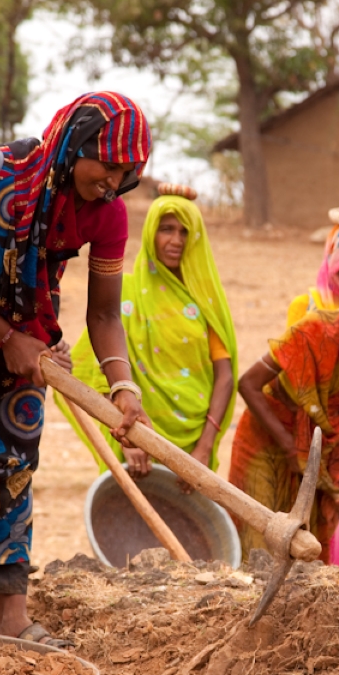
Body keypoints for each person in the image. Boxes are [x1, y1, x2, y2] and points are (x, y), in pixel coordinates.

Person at [0, 92, 152, 648]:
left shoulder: (109, 213)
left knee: (15, 459)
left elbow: (102, 314)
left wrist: (123, 386)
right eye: (108, 165)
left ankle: (13, 616)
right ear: (75, 147)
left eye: (129, 172)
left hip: (29, 340)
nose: (114, 181)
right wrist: (2, 337)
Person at [232, 271, 339, 561]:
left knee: (308, 546)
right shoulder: (313, 332)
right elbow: (248, 384)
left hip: (319, 452)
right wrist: (290, 447)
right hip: (267, 438)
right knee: (259, 542)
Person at [61, 183, 237, 475]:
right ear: (150, 233)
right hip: (135, 436)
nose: (176, 240)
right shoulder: (127, 292)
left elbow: (225, 375)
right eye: (166, 229)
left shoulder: (206, 303)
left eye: (184, 231)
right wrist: (127, 435)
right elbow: (98, 369)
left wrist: (206, 445)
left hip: (194, 443)